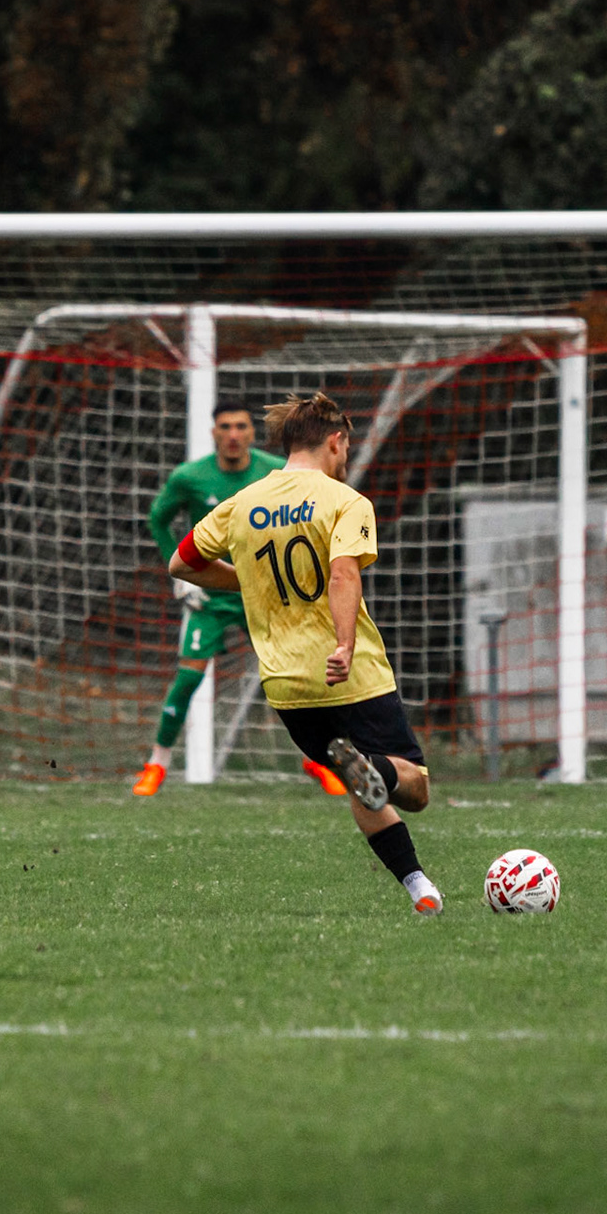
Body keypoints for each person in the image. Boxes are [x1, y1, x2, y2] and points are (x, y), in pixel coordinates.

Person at [168, 391, 444, 914]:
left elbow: (182, 565)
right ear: (335, 442)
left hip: (287, 684)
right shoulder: (345, 501)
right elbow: (344, 572)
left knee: (357, 782)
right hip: (351, 673)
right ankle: (372, 770)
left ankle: (420, 889)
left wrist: (247, 584)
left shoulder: (242, 503)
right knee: (412, 785)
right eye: (346, 448)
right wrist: (343, 642)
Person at [133, 398, 348, 800]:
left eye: (241, 427)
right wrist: (181, 575)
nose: (233, 435)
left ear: (252, 432)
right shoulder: (189, 477)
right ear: (214, 432)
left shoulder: (274, 470)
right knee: (189, 677)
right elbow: (158, 519)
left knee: (294, 676)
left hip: (263, 594)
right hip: (212, 598)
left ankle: (318, 758)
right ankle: (157, 763)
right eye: (225, 427)